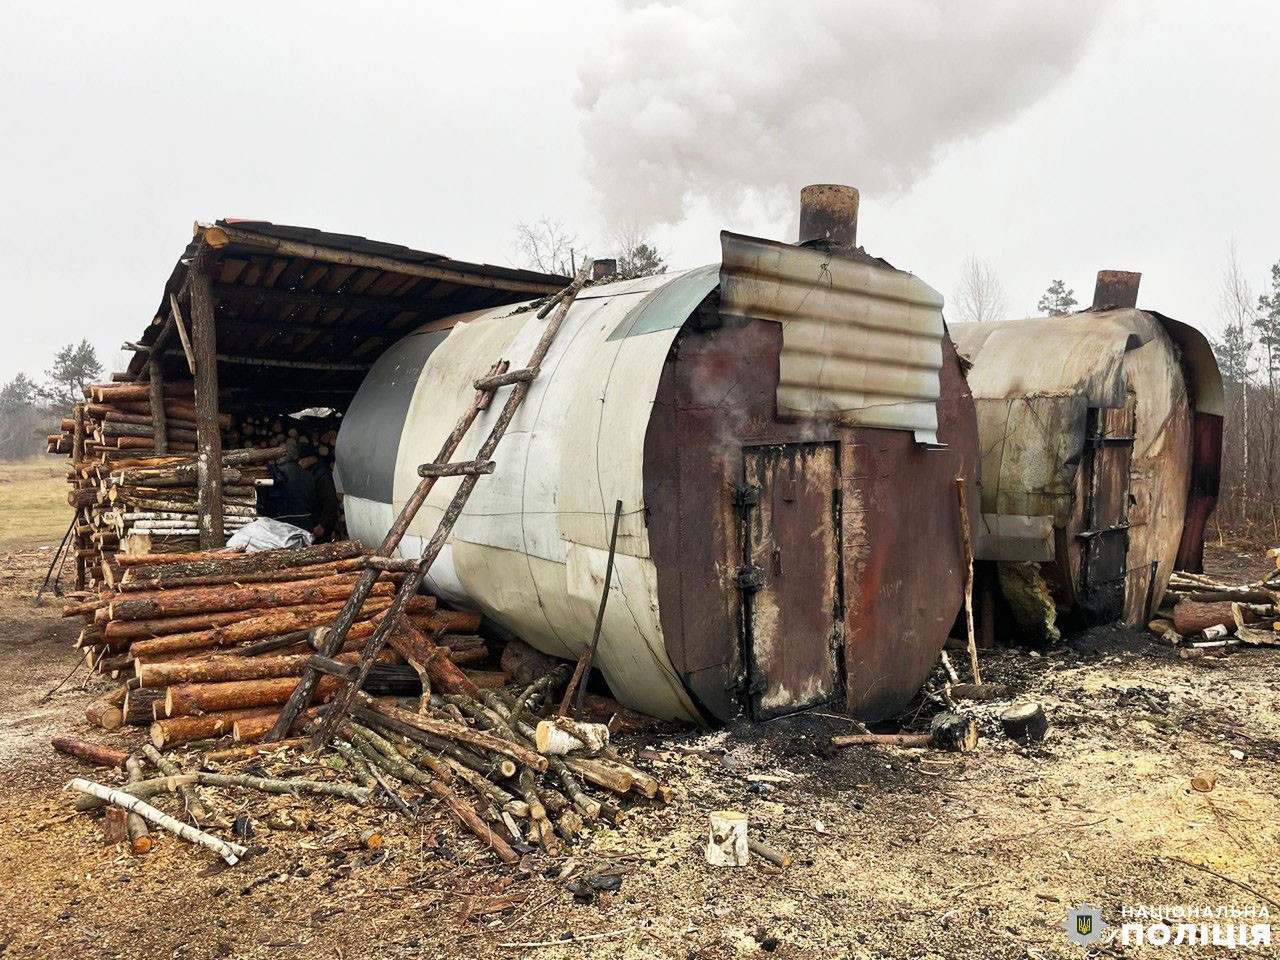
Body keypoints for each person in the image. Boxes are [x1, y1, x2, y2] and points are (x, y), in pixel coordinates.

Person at [298, 440, 340, 543]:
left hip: (319, 526)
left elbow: (330, 501)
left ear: (306, 459)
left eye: (300, 460)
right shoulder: (310, 473)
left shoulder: (322, 475)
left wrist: (323, 525)